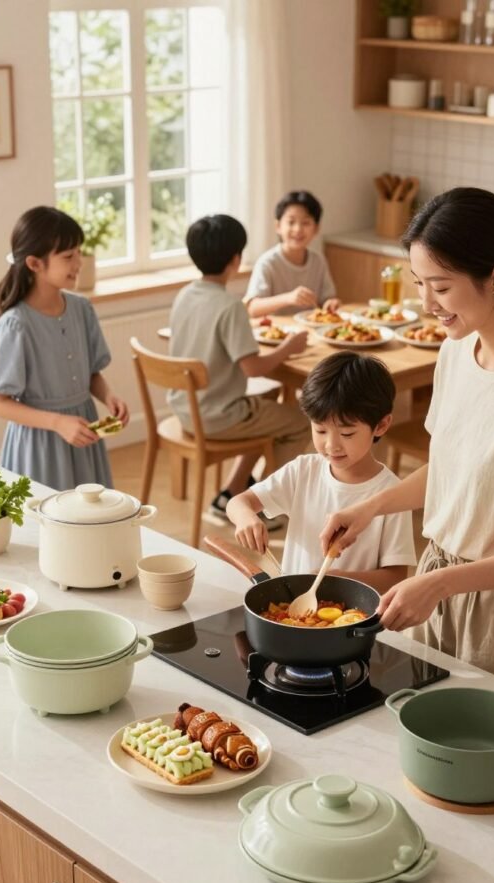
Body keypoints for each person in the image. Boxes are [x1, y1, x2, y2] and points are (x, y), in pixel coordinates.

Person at [320, 187, 494, 697]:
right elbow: (450, 472)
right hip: (433, 584)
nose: (425, 305)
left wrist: (442, 584)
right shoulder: (455, 353)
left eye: (441, 288)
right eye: (419, 284)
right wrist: (370, 508)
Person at [226, 350, 416, 588]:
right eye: (320, 430)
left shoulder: (393, 495)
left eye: (347, 433)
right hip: (296, 612)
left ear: (381, 425)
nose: (331, 445)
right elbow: (237, 503)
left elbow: (396, 578)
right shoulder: (303, 471)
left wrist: (337, 581)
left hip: (355, 619)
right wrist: (246, 518)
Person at [168, 213, 310, 518]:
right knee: (300, 422)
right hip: (218, 416)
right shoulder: (230, 306)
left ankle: (232, 492)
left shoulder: (185, 294)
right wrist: (289, 348)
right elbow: (253, 368)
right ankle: (262, 508)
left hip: (187, 408)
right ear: (236, 259)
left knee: (269, 400)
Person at [0, 206, 129, 491]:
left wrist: (109, 396)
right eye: (68, 256)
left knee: (88, 520)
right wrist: (58, 422)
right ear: (35, 264)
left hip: (82, 435)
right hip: (39, 446)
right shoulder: (16, 325)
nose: (79, 263)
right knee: (46, 524)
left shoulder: (82, 309)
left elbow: (92, 373)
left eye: (78, 252)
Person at [244, 190, 341, 318]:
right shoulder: (267, 263)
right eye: (291, 222)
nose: (298, 229)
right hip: (277, 332)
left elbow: (327, 298)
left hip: (310, 331)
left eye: (306, 223)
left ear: (316, 228)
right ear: (278, 226)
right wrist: (289, 298)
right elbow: (252, 308)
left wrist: (331, 303)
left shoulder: (318, 260)